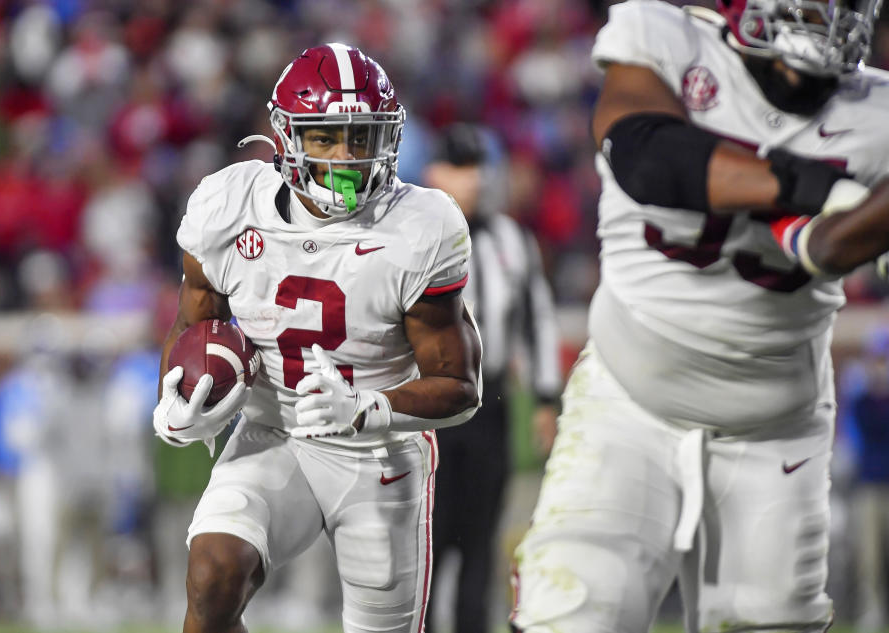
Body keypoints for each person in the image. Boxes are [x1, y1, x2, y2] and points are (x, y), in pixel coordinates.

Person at [508, 0, 889, 630]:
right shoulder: (666, 35)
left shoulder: (875, 111)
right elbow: (642, 153)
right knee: (574, 611)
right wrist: (822, 190)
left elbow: (826, 248)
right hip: (628, 404)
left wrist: (849, 232)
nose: (824, 11)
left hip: (776, 426)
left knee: (770, 622)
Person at [150, 43, 482, 633]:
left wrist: (369, 408)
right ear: (286, 138)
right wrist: (179, 402)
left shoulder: (420, 227)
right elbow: (192, 326)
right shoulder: (229, 207)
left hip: (380, 455)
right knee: (212, 576)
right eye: (325, 137)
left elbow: (459, 385)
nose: (346, 157)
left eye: (361, 138)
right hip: (271, 432)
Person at [421, 123, 561, 633]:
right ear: (435, 172)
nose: (475, 180)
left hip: (486, 404)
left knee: (481, 538)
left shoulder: (510, 238)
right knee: (424, 540)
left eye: (480, 167)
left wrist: (546, 399)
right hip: (425, 408)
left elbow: (536, 318)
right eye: (462, 167)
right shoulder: (410, 234)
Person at [840, 328, 889, 632]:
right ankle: (872, 611)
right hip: (869, 486)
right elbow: (859, 435)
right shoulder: (861, 400)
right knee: (868, 558)